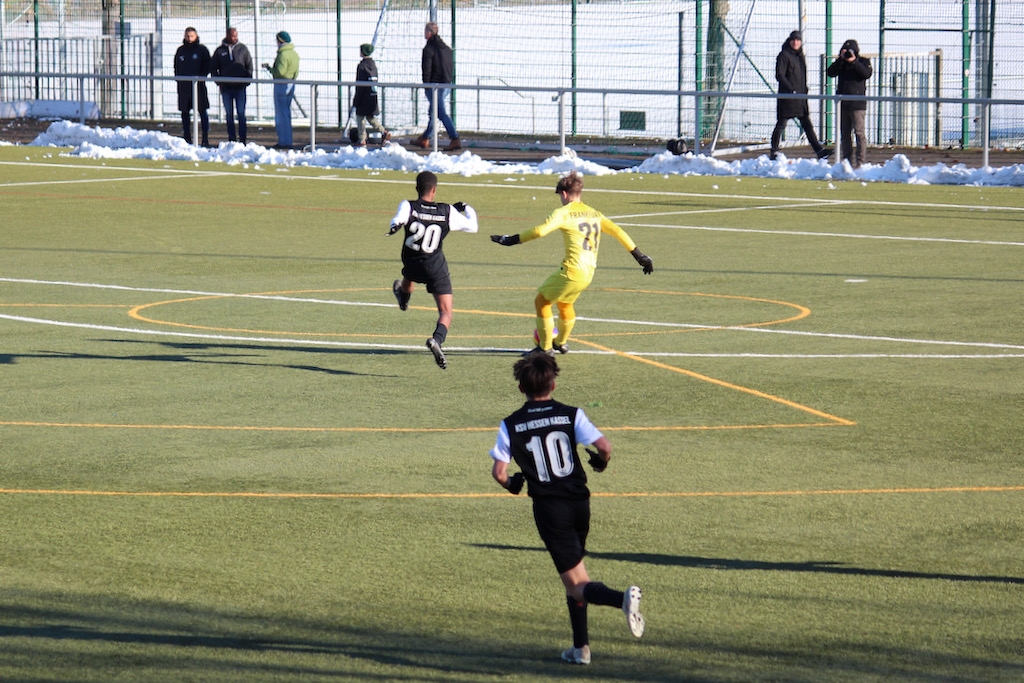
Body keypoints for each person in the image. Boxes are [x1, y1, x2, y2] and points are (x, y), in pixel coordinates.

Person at [489, 352, 645, 665]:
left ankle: (622, 600)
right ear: (554, 384)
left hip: (550, 510)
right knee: (575, 578)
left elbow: (499, 472)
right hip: (580, 503)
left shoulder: (511, 425)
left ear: (521, 389)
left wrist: (511, 485)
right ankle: (581, 649)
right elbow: (604, 447)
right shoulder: (571, 414)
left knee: (576, 585)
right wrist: (601, 462)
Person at [490, 171, 653, 356]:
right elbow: (618, 232)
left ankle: (545, 349)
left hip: (572, 270)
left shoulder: (563, 213)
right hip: (588, 273)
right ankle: (560, 343)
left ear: (565, 194)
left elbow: (540, 231)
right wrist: (640, 256)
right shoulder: (594, 213)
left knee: (542, 301)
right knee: (565, 304)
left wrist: (512, 239)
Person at [387, 171, 478, 370]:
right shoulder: (447, 211)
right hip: (434, 267)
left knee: (408, 275)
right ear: (434, 190)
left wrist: (394, 227)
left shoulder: (408, 205)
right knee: (446, 312)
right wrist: (466, 208)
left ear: (416, 188)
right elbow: (473, 226)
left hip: (412, 263)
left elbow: (398, 219)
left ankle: (403, 297)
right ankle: (437, 339)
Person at [770, 30, 830, 161]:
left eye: (798, 40)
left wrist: (804, 89)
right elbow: (780, 75)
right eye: (793, 40)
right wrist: (791, 90)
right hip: (788, 98)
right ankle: (774, 150)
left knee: (807, 125)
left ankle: (819, 150)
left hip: (801, 98)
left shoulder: (800, 56)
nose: (795, 42)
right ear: (789, 41)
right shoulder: (784, 55)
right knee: (781, 124)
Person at [410, 22, 461, 151]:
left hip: (435, 86)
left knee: (441, 113)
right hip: (446, 84)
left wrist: (427, 85)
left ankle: (454, 138)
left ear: (429, 33)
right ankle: (425, 138)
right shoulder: (446, 48)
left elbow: (426, 68)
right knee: (433, 112)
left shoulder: (429, 49)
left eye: (425, 31)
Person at [826, 39, 873, 168]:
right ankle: (847, 162)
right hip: (843, 104)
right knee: (845, 134)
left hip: (858, 104)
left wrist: (854, 62)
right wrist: (841, 60)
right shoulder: (841, 64)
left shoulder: (863, 61)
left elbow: (866, 74)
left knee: (859, 133)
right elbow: (830, 73)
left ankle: (860, 162)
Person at [210, 27, 253, 144]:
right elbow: (213, 67)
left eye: (235, 36)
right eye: (232, 36)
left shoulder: (243, 49)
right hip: (226, 88)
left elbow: (249, 65)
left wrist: (246, 81)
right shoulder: (219, 51)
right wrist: (219, 82)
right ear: (227, 35)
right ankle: (232, 139)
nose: (234, 38)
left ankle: (243, 139)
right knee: (229, 114)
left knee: (241, 113)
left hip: (240, 88)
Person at [262, 31, 300, 149]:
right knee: (286, 113)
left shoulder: (283, 55)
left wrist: (270, 69)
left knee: (281, 114)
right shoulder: (294, 54)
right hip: (291, 83)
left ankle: (283, 141)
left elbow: (280, 72)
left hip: (281, 84)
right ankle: (288, 139)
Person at [173, 27, 210, 147]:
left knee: (202, 112)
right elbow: (176, 67)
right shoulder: (180, 51)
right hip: (184, 88)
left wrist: (200, 78)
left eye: (191, 36)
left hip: (198, 87)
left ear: (196, 36)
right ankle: (187, 137)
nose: (189, 38)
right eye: (187, 36)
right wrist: (179, 80)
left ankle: (205, 138)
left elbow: (207, 66)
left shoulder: (202, 50)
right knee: (185, 113)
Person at [353, 43, 391, 147]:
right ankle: (383, 131)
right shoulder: (373, 65)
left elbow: (360, 86)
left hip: (363, 96)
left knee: (360, 117)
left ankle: (362, 139)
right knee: (370, 117)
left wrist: (356, 100)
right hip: (372, 96)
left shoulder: (361, 66)